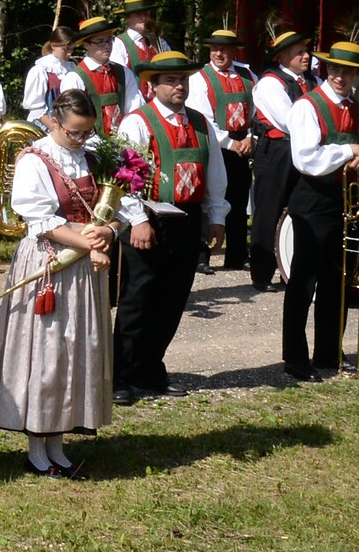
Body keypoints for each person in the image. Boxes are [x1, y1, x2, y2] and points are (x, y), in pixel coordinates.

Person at [0, 90, 116, 478]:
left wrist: (107, 233)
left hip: (83, 267)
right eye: (74, 132)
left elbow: (116, 210)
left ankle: (59, 443)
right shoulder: (34, 159)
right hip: (49, 263)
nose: (80, 140)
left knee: (76, 350)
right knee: (46, 352)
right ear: (55, 122)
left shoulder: (93, 158)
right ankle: (36, 447)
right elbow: (38, 218)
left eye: (86, 133)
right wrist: (90, 241)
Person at [114, 51, 224, 403]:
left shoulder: (201, 122)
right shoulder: (137, 122)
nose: (179, 86)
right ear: (153, 86)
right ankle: (120, 376)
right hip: (150, 219)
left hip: (188, 219)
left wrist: (217, 217)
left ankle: (150, 370)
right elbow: (124, 177)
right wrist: (138, 219)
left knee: (172, 299)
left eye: (183, 80)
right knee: (137, 299)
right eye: (171, 81)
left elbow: (215, 173)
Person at [282, 41, 359, 381]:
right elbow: (306, 158)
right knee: (303, 283)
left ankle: (328, 353)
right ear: (326, 70)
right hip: (313, 200)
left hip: (345, 199)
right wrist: (348, 150)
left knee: (338, 283)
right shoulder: (308, 106)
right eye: (335, 70)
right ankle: (295, 358)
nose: (341, 77)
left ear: (356, 75)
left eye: (348, 71)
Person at [248, 28, 319, 292]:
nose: (306, 56)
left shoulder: (313, 81)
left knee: (300, 209)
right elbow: (289, 120)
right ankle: (262, 272)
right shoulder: (270, 83)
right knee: (270, 209)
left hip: (303, 149)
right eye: (299, 52)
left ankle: (290, 267)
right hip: (276, 151)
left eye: (306, 51)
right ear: (283, 57)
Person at [187, 29, 255, 275]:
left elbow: (258, 112)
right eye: (214, 49)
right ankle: (201, 255)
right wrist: (228, 142)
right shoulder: (199, 78)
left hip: (243, 143)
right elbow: (202, 116)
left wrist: (251, 137)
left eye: (224, 49)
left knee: (239, 198)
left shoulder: (248, 74)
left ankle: (237, 254)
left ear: (233, 51)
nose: (219, 53)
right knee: (208, 197)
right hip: (215, 143)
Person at [71, 15, 142, 136]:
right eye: (100, 42)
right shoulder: (75, 78)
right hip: (88, 143)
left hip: (124, 140)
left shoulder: (124, 73)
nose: (107, 46)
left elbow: (135, 107)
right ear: (86, 45)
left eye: (109, 40)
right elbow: (73, 117)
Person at [21, 28, 76, 130]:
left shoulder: (71, 68)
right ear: (53, 45)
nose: (69, 54)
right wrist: (55, 129)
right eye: (66, 49)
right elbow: (36, 108)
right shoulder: (40, 70)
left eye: (72, 49)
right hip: (46, 127)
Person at [110, 0, 171, 70]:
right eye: (138, 15)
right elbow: (120, 75)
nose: (144, 18)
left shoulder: (160, 42)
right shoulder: (118, 44)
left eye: (146, 14)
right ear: (127, 18)